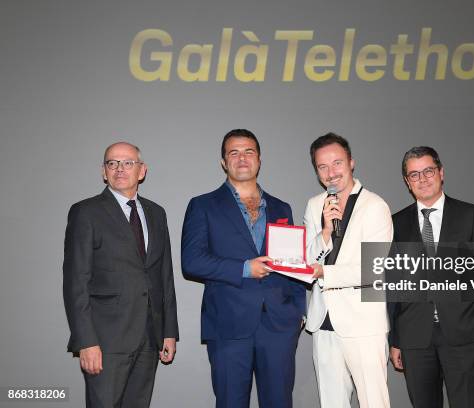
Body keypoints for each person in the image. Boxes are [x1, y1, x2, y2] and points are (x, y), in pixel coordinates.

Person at [181, 129, 306, 408]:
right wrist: (244, 268)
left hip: (278, 326)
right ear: (224, 162)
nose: (242, 158)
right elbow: (191, 261)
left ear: (259, 159)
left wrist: (299, 310)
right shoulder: (203, 205)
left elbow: (292, 264)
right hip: (228, 323)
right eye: (233, 152)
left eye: (249, 151)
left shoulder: (281, 207)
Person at [63, 142, 179, 408]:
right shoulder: (86, 212)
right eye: (112, 163)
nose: (119, 169)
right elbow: (75, 281)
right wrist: (86, 342)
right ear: (104, 172)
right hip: (105, 342)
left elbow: (165, 276)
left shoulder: (156, 213)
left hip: (150, 338)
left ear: (142, 171)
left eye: (127, 163)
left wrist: (169, 332)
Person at [387, 146, 474, 408]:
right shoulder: (396, 223)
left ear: (441, 172)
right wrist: (396, 339)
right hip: (415, 337)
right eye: (414, 175)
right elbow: (393, 284)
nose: (422, 179)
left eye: (428, 171)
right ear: (407, 182)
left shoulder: (469, 215)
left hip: (465, 333)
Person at [304, 133, 393, 408]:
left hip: (364, 323)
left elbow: (373, 269)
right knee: (331, 403)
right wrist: (327, 231)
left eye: (337, 163)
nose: (331, 173)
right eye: (322, 167)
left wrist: (325, 274)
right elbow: (309, 260)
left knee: (373, 402)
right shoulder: (315, 204)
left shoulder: (375, 206)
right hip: (323, 322)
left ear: (351, 162)